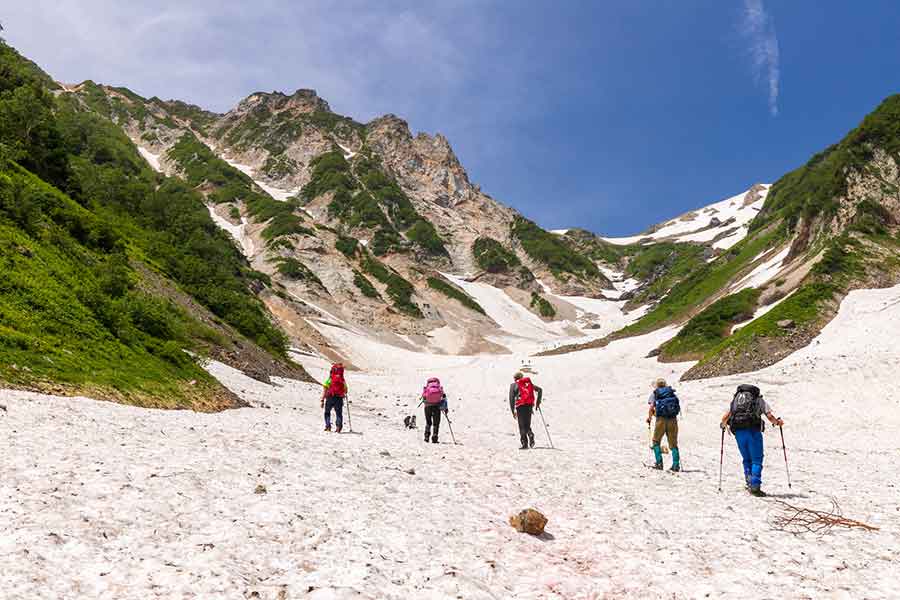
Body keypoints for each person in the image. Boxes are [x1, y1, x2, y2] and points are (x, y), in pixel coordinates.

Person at [720, 384, 784, 496]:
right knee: (756, 459)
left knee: (746, 458)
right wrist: (777, 422)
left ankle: (749, 481)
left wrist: (723, 425)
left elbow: (725, 417)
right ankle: (755, 486)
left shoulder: (736, 400)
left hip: (738, 432)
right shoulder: (758, 399)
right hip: (753, 431)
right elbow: (769, 416)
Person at [646, 378, 680, 472]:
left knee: (656, 441)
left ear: (657, 385)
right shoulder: (671, 393)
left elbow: (651, 408)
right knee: (673, 443)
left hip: (660, 420)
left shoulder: (655, 393)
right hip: (673, 419)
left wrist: (649, 418)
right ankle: (676, 465)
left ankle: (659, 463)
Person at [509, 372, 543, 450]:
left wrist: (512, 411)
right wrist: (538, 403)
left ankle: (524, 443)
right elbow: (540, 390)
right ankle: (530, 434)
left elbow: (511, 398)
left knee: (521, 425)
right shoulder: (527, 384)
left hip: (520, 406)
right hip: (529, 405)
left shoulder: (513, 385)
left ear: (514, 378)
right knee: (527, 423)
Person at [321, 363, 347, 432]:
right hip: (339, 398)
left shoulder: (330, 379)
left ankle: (328, 426)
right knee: (339, 413)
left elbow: (325, 389)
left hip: (330, 397)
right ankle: (338, 427)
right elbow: (346, 390)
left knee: (327, 412)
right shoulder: (342, 380)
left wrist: (322, 399)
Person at [420, 377, 448, 443]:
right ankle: (435, 437)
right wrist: (445, 408)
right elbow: (444, 398)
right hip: (437, 406)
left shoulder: (426, 388)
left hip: (427, 406)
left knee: (428, 422)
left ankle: (426, 437)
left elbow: (424, 397)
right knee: (436, 423)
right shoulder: (439, 388)